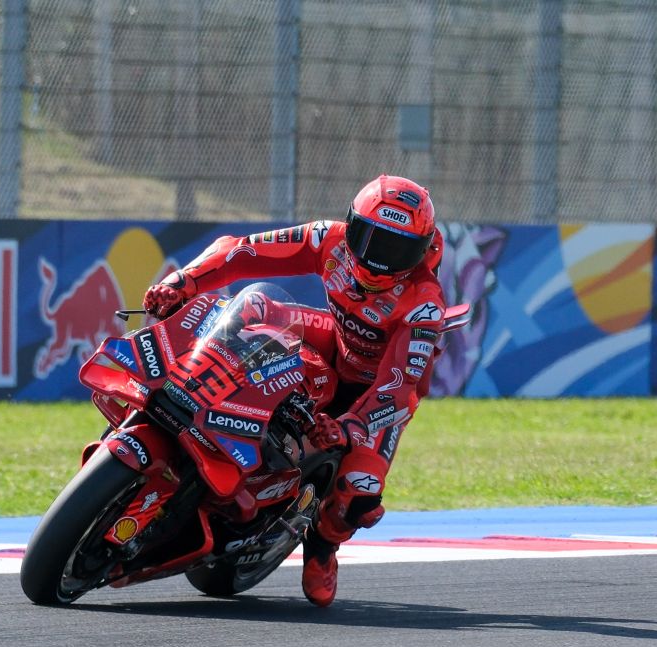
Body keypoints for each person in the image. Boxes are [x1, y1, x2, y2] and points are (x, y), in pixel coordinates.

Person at [143, 175, 446, 607]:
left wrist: (350, 426)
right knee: (253, 308)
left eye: (396, 248)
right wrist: (185, 281)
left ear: (419, 250)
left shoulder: (424, 302)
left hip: (376, 395)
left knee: (361, 493)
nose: (378, 260)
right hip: (334, 345)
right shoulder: (330, 240)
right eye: (370, 239)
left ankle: (322, 546)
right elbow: (242, 251)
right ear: (351, 224)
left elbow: (399, 388)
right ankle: (192, 391)